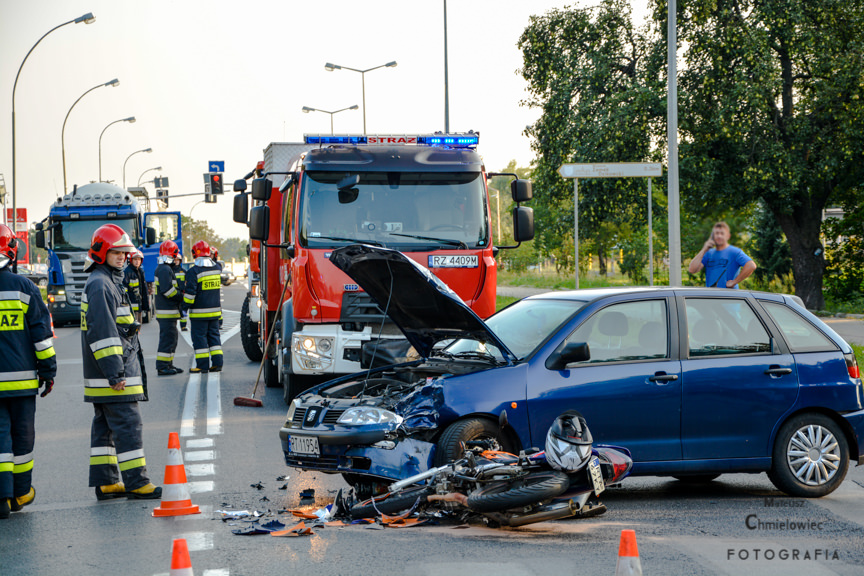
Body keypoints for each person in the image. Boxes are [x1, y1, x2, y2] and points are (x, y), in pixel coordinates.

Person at [81, 224, 161, 501]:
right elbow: (103, 334)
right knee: (128, 426)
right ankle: (137, 482)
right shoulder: (102, 284)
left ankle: (107, 482)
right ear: (102, 252)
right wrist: (116, 374)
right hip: (113, 374)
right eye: (116, 252)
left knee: (105, 428)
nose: (122, 257)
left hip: (103, 374)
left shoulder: (104, 280)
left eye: (124, 253)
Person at [0, 224, 56, 519]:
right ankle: (21, 491)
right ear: (12, 250)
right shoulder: (24, 288)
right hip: (20, 383)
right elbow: (42, 338)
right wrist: (48, 371)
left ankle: (2, 495)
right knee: (22, 437)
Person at [184, 240, 223, 373]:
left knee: (200, 340)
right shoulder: (217, 269)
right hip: (215, 313)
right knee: (214, 338)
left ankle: (202, 365)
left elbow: (190, 295)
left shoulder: (193, 272)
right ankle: (217, 364)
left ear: (195, 254)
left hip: (199, 315)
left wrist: (183, 307)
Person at [688, 221, 757, 289]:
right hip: (710, 295)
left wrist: (734, 281)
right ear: (712, 236)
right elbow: (692, 270)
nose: (719, 236)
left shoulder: (734, 251)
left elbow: (751, 265)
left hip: (729, 296)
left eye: (722, 233)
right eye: (716, 233)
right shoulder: (708, 253)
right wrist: (704, 249)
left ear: (728, 236)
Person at [154, 241, 185, 376]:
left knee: (172, 339)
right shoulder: (165, 269)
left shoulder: (164, 268)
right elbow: (168, 291)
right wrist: (181, 296)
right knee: (167, 340)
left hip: (169, 312)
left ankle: (168, 364)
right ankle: (162, 366)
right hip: (167, 312)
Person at [123, 250, 148, 323]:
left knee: (138, 327)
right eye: (135, 259)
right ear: (131, 260)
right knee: (134, 329)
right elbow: (124, 291)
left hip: (139, 306)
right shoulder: (127, 272)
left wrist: (145, 307)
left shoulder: (140, 272)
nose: (137, 261)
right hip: (131, 308)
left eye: (139, 259)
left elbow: (143, 290)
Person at [174, 255, 188, 332]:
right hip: (174, 294)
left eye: (177, 260)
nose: (176, 261)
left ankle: (183, 326)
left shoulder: (183, 271)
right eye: (175, 260)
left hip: (182, 294)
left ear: (180, 261)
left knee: (183, 310)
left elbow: (187, 282)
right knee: (174, 311)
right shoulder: (170, 271)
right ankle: (174, 326)